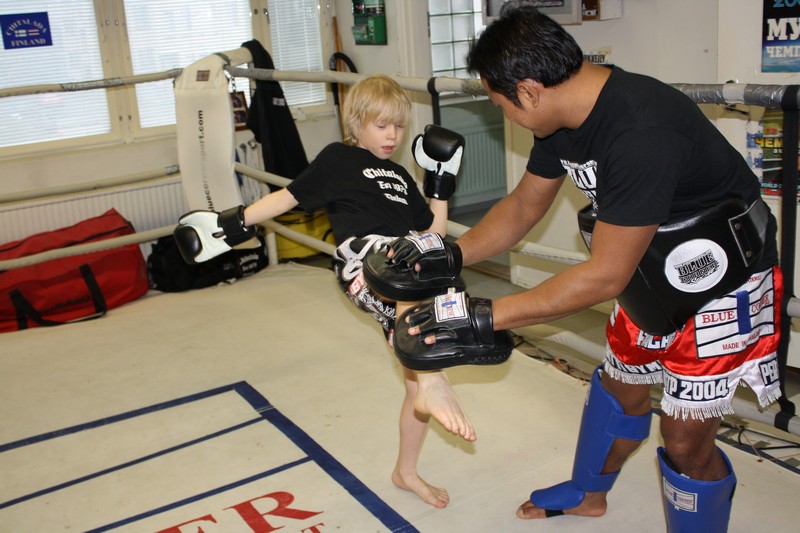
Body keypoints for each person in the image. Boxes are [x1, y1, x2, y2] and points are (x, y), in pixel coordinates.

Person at [370, 3, 783, 530]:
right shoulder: (562, 118)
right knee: (619, 390)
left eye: (501, 103)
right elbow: (525, 205)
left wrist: (479, 316)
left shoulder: (641, 131)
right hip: (649, 269)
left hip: (722, 282)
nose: (505, 116)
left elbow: (605, 276)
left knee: (684, 443)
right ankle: (589, 493)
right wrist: (450, 253)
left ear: (528, 91)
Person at [172, 74, 473, 509]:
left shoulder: (401, 177)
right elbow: (288, 197)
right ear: (356, 123)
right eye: (381, 125)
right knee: (407, 269)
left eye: (398, 126)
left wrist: (440, 185)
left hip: (404, 273)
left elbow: (434, 235)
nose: (392, 135)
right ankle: (432, 377)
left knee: (420, 356)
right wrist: (231, 224)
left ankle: (406, 469)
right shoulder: (339, 158)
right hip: (364, 262)